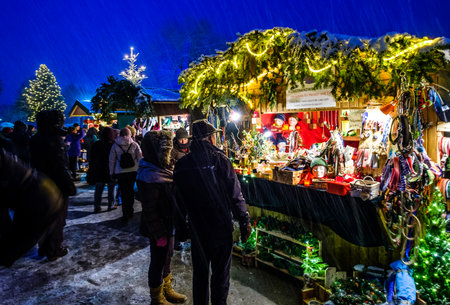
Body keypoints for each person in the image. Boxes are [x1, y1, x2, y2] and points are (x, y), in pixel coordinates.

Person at [174, 119, 252, 305]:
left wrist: (181, 230)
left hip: (198, 228)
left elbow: (177, 201)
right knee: (220, 274)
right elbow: (235, 195)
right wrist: (244, 221)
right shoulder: (221, 160)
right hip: (220, 226)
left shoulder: (183, 165)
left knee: (200, 274)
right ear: (210, 138)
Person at [137, 130, 187, 305]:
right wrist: (158, 234)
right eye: (164, 151)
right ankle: (156, 298)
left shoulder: (163, 169)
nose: (168, 154)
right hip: (158, 228)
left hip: (169, 223)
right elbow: (150, 210)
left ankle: (167, 289)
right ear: (155, 151)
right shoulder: (149, 174)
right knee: (157, 261)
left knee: (167, 257)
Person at [0, 149, 65, 267]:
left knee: (9, 250)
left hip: (40, 196)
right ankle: (50, 250)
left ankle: (51, 250)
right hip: (41, 191)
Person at [30, 110, 76, 261]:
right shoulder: (53, 140)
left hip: (40, 184)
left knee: (46, 218)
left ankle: (45, 247)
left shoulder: (36, 139)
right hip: (56, 186)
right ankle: (54, 249)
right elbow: (60, 166)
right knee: (57, 219)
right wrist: (69, 185)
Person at [109, 128, 142, 221]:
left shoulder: (115, 145)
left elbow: (112, 160)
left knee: (123, 192)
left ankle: (125, 212)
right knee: (130, 191)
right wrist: (140, 170)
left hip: (120, 172)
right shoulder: (134, 144)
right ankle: (130, 210)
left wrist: (111, 172)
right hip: (133, 171)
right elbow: (140, 158)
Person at [170, 127, 191, 251]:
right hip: (178, 185)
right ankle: (179, 238)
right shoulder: (172, 151)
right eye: (181, 139)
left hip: (191, 184)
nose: (183, 141)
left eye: (185, 139)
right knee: (180, 214)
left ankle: (190, 235)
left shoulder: (191, 149)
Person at [90, 127, 117, 213]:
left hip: (99, 169)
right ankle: (111, 205)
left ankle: (97, 206)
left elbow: (92, 157)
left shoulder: (96, 144)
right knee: (111, 188)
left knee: (98, 189)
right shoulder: (113, 144)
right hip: (110, 168)